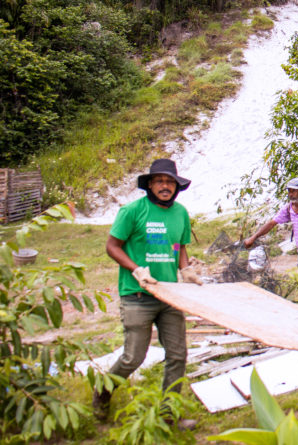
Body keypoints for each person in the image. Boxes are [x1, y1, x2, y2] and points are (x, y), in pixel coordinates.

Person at [93, 159, 203, 428]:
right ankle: (103, 392)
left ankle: (168, 415)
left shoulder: (180, 213)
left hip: (169, 295)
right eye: (160, 181)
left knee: (177, 355)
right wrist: (136, 270)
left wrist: (185, 269)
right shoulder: (132, 211)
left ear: (177, 186)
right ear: (150, 185)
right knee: (133, 357)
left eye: (170, 182)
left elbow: (179, 245)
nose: (165, 186)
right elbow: (112, 246)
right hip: (137, 295)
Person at [244, 177, 298, 310]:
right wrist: (253, 237)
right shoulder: (288, 209)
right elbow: (271, 223)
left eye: (295, 191)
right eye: (290, 191)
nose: (292, 194)